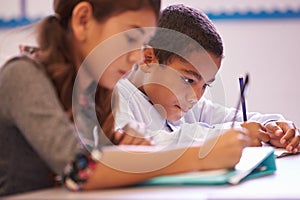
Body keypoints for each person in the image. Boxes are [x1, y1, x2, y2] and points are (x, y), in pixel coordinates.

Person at [0, 0, 250, 196]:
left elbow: (101, 165)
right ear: (83, 20)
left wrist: (124, 149)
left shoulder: (99, 89)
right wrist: (199, 156)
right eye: (131, 37)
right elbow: (81, 172)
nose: (138, 56)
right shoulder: (23, 75)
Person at [115, 4, 299, 151]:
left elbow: (230, 118)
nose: (195, 97)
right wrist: (236, 132)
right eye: (188, 80)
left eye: (205, 86)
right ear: (148, 59)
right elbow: (149, 144)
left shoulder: (190, 108)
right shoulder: (115, 97)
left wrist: (272, 127)